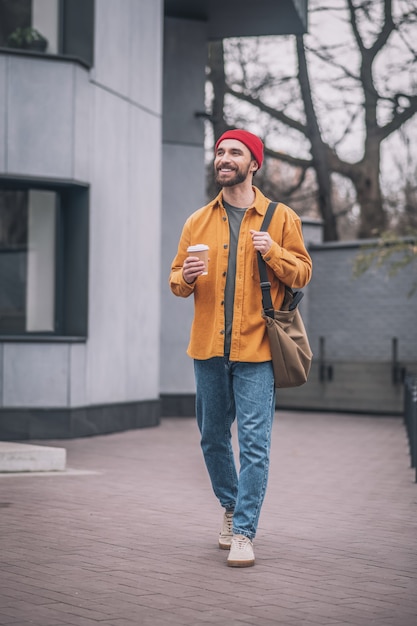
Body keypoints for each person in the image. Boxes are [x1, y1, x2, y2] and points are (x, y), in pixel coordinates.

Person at [169, 129, 312, 567]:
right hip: (208, 350)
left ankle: (245, 531)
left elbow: (303, 273)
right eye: (220, 152)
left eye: (235, 152)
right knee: (212, 438)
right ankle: (230, 507)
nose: (224, 158)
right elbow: (175, 281)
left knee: (254, 444)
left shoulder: (282, 218)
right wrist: (187, 276)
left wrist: (273, 254)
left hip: (258, 350)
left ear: (254, 164)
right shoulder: (198, 220)